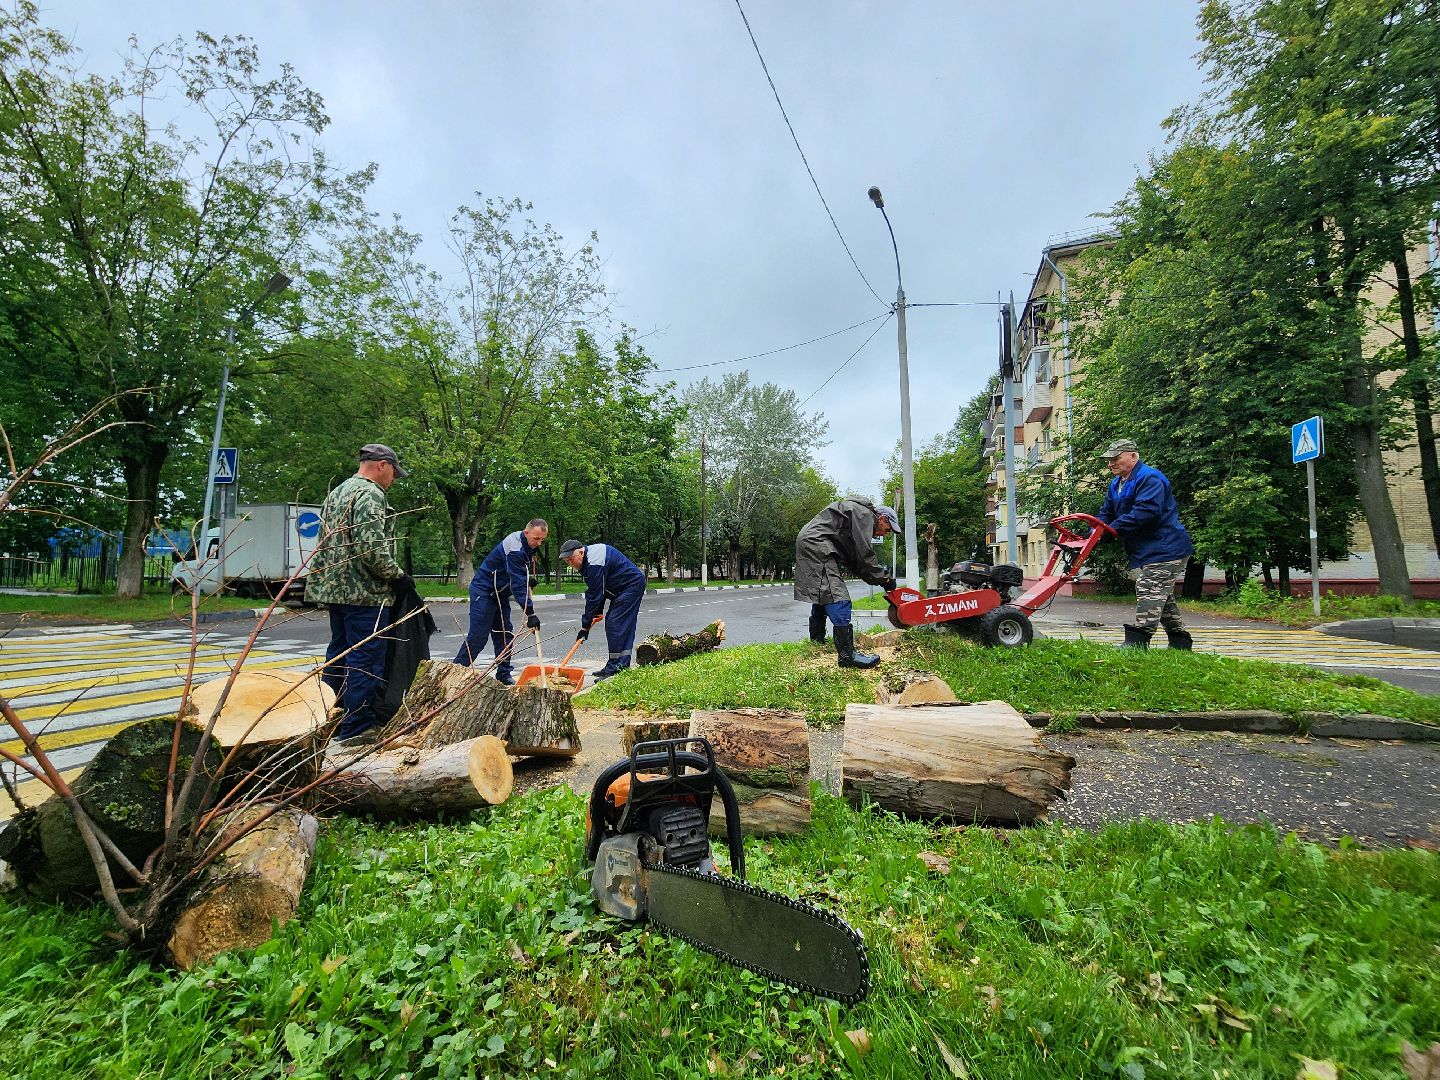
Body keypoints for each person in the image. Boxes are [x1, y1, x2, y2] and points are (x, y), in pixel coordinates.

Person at [307, 443, 413, 742]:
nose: (393, 480)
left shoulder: (338, 492)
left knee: (338, 656)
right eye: (394, 472)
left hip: (336, 590)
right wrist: (397, 576)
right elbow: (371, 547)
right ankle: (358, 728)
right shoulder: (370, 494)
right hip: (365, 594)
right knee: (364, 659)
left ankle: (332, 720)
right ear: (382, 465)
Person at [1096, 439, 1195, 650]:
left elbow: (1145, 512)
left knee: (1148, 587)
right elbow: (1105, 512)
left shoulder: (1149, 478)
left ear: (1133, 455)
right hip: (1147, 549)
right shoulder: (1117, 484)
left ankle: (1138, 641)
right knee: (1162, 595)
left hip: (1166, 547)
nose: (1111, 464)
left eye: (1116, 458)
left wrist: (1112, 530)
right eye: (1109, 460)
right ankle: (1180, 642)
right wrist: (1095, 532)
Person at [793, 497, 899, 668]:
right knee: (837, 596)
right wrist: (884, 577)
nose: (884, 534)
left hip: (810, 540)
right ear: (882, 518)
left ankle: (817, 640)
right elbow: (864, 553)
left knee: (823, 592)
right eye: (887, 530)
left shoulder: (857, 514)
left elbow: (854, 560)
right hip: (818, 543)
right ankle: (847, 656)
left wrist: (878, 579)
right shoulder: (865, 515)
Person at [453, 518, 549, 683]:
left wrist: (526, 579)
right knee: (478, 637)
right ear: (526, 532)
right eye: (536, 538)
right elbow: (517, 584)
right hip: (484, 591)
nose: (539, 543)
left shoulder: (526, 544)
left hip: (500, 594)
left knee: (505, 635)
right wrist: (530, 613)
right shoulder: (515, 548)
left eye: (542, 539)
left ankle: (503, 676)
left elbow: (514, 573)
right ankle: (454, 672)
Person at [559, 539, 647, 682]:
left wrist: (585, 626)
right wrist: (597, 613)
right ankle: (613, 666)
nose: (570, 563)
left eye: (571, 559)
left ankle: (617, 668)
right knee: (613, 624)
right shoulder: (587, 562)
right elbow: (599, 589)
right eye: (567, 561)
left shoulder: (594, 561)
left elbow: (595, 595)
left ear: (581, 552)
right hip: (619, 590)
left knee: (616, 624)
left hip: (631, 586)